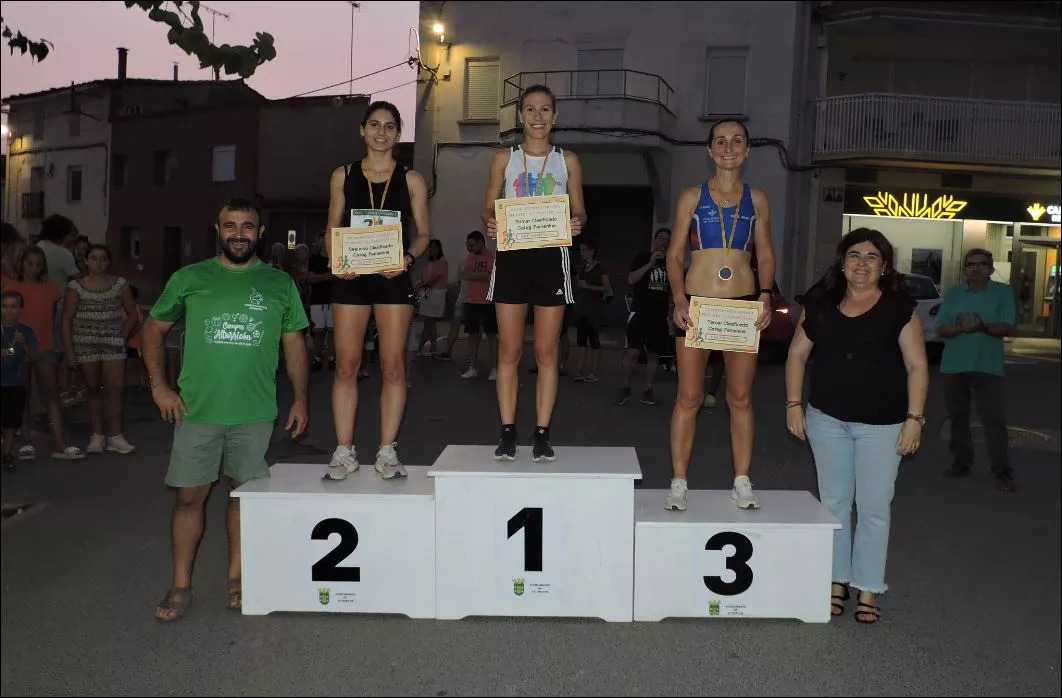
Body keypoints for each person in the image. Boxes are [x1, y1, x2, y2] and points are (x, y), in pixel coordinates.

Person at [142, 198, 309, 622]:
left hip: (254, 413)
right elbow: (152, 330)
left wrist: (301, 398)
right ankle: (181, 585)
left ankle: (236, 578)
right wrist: (160, 387)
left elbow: (294, 345)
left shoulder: (279, 284)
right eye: (230, 226)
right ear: (217, 229)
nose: (239, 233)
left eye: (247, 226)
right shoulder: (190, 277)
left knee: (243, 498)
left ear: (260, 233)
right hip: (196, 412)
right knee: (188, 499)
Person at [785, 228, 928, 624]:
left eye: (871, 257)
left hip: (882, 425)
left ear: (884, 267)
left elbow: (917, 366)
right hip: (827, 418)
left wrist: (914, 420)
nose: (861, 263)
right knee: (833, 504)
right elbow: (796, 355)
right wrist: (794, 405)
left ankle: (868, 586)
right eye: (854, 255)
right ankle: (836, 580)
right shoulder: (820, 304)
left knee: (873, 507)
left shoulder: (900, 308)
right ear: (842, 262)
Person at [665, 119, 776, 511]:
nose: (729, 148)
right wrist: (679, 299)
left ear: (746, 150)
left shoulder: (757, 199)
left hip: (742, 306)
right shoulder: (691, 197)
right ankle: (679, 481)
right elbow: (675, 253)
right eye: (721, 142)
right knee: (689, 396)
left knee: (740, 397)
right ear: (710, 150)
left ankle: (741, 480)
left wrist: (765, 294)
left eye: (737, 141)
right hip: (697, 305)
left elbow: (764, 251)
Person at [322, 100, 431, 480]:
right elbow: (332, 229)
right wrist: (336, 260)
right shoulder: (343, 175)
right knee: (347, 365)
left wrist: (409, 260)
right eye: (374, 125)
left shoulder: (412, 179)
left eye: (389, 126)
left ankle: (387, 451)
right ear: (363, 130)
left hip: (392, 278)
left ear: (398, 133)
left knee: (391, 366)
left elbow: (424, 236)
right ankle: (344, 450)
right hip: (351, 279)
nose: (381, 132)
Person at [482, 84, 587, 462]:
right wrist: (492, 222)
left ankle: (542, 432)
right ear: (520, 116)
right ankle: (507, 431)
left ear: (555, 116)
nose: (537, 117)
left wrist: (576, 223)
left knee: (546, 352)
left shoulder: (567, 160)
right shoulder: (503, 159)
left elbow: (581, 210)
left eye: (545, 110)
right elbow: (488, 208)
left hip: (551, 260)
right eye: (530, 109)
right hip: (512, 258)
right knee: (509, 351)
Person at [935, 248, 1017, 492]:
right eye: (970, 265)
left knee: (993, 418)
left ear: (991, 269)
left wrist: (982, 327)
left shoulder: (1003, 292)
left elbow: (1007, 327)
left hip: (988, 366)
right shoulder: (954, 294)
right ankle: (962, 462)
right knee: (957, 416)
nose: (975, 268)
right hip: (954, 365)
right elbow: (941, 328)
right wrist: (959, 329)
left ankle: (1002, 471)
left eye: (982, 264)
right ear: (965, 269)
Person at [1, 246, 83, 461]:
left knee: (51, 395)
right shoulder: (11, 286)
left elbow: (54, 317)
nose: (34, 268)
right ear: (22, 264)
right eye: (30, 263)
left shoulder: (51, 289)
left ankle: (58, 442)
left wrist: (58, 345)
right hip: (17, 346)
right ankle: (27, 441)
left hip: (44, 346)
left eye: (38, 264)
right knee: (23, 395)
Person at [61, 244, 140, 455]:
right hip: (84, 344)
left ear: (109, 262)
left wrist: (121, 337)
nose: (98, 263)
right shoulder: (75, 287)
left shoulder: (120, 284)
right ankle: (96, 436)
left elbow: (133, 314)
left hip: (112, 344)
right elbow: (67, 319)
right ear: (86, 261)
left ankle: (116, 436)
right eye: (94, 258)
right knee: (93, 389)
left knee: (116, 388)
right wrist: (69, 352)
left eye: (103, 258)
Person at [617, 227, 671, 406]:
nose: (664, 243)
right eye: (661, 239)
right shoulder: (642, 257)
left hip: (659, 316)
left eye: (667, 240)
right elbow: (631, 279)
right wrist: (650, 263)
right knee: (633, 351)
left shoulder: (671, 263)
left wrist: (672, 309)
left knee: (654, 355)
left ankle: (648, 390)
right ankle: (624, 387)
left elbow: (672, 289)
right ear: (654, 240)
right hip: (640, 312)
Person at [1, 290, 40, 471]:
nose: (8, 311)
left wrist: (23, 344)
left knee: (11, 424)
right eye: (4, 307)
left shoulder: (25, 331)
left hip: (15, 384)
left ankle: (7, 454)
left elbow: (35, 355)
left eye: (13, 307)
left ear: (20, 309)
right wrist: (11, 349)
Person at [416, 239, 449, 356]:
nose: (433, 249)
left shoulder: (442, 262)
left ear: (439, 249)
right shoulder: (427, 263)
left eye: (435, 247)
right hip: (427, 294)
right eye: (431, 247)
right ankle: (433, 348)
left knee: (429, 322)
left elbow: (436, 278)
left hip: (436, 293)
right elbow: (424, 278)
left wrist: (423, 284)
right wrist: (420, 285)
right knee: (431, 323)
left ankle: (419, 348)